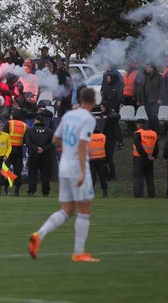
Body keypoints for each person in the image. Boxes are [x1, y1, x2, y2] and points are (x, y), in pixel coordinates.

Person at [29, 88, 99, 262]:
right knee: (84, 210)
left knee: (67, 210)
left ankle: (39, 235)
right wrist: (83, 170)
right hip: (77, 167)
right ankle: (78, 252)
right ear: (94, 100)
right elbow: (83, 145)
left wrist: (69, 145)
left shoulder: (68, 116)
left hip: (65, 166)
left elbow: (55, 139)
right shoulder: (88, 119)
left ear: (80, 99)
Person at [25, 115, 55, 197]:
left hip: (33, 154)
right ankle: (46, 192)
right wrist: (43, 148)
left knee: (32, 173)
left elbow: (27, 141)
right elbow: (53, 143)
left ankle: (31, 191)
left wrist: (36, 148)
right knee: (45, 174)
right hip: (46, 155)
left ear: (36, 121)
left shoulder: (30, 130)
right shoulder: (50, 131)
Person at [132, 119, 158, 198]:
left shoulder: (138, 133)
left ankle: (138, 195)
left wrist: (145, 156)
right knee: (149, 177)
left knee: (138, 176)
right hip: (150, 159)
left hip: (139, 158)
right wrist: (153, 156)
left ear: (140, 125)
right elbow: (156, 147)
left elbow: (139, 147)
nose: (136, 126)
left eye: (137, 124)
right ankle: (152, 195)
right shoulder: (154, 133)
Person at [4, 110, 27, 196]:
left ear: (13, 115)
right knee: (18, 171)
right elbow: (25, 139)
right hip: (19, 149)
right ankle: (16, 190)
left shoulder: (9, 123)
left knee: (6, 169)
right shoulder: (24, 125)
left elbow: (4, 135)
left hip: (9, 150)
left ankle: (5, 188)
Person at [89, 129, 108, 198]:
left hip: (91, 160)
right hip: (101, 159)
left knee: (92, 177)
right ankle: (105, 192)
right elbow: (107, 148)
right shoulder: (103, 136)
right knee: (102, 176)